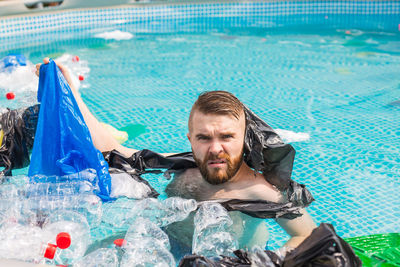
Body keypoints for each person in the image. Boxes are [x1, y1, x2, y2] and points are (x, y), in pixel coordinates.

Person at [35, 58, 316, 252]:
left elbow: (308, 237)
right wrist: (70, 90)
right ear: (191, 140)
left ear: (244, 140)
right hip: (164, 243)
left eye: (227, 137)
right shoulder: (186, 164)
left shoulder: (262, 192)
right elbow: (110, 148)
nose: (215, 148)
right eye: (204, 138)